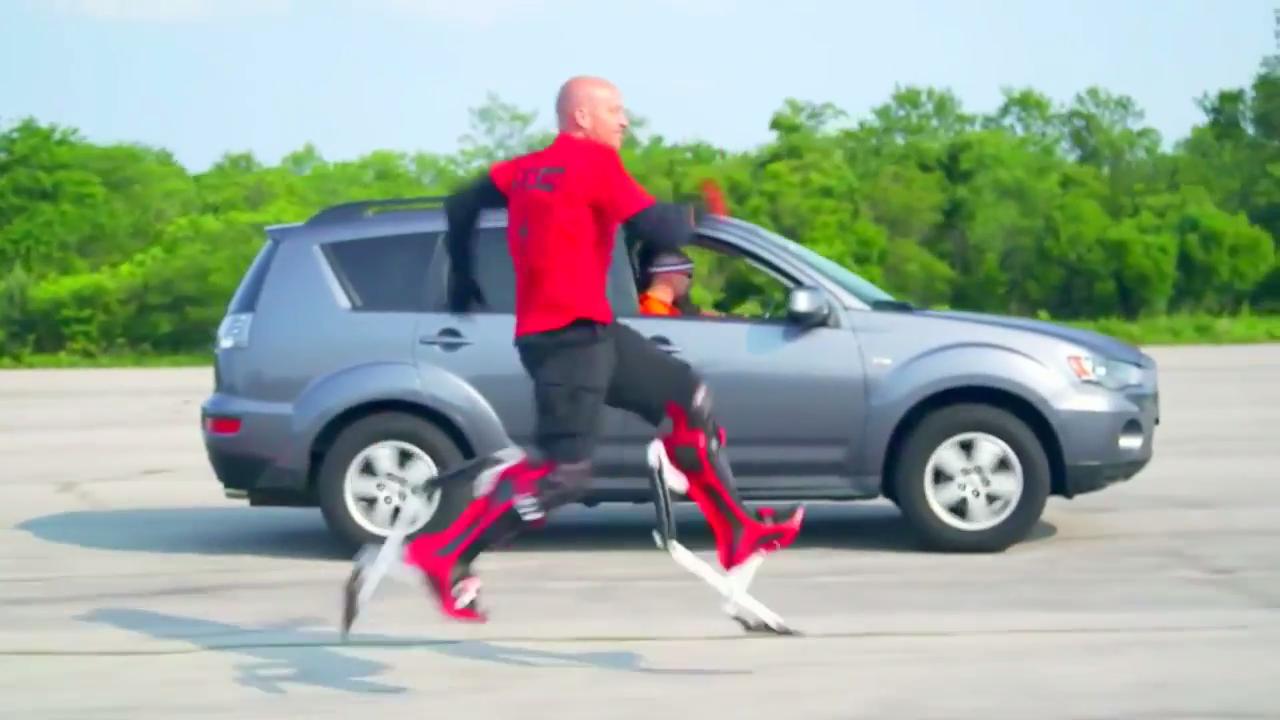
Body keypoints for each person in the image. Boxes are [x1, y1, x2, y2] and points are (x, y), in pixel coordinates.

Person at [399, 75, 804, 622]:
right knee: (564, 477)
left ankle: (737, 532)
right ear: (582, 117)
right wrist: (702, 217)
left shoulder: (523, 170)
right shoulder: (593, 163)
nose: (625, 120)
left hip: (593, 333)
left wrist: (463, 278)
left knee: (688, 397)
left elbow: (461, 203)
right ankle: (445, 553)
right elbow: (656, 225)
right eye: (616, 110)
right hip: (566, 343)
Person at [636, 247, 720, 317]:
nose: (690, 281)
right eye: (689, 274)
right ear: (670, 274)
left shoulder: (654, 306)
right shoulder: (655, 312)